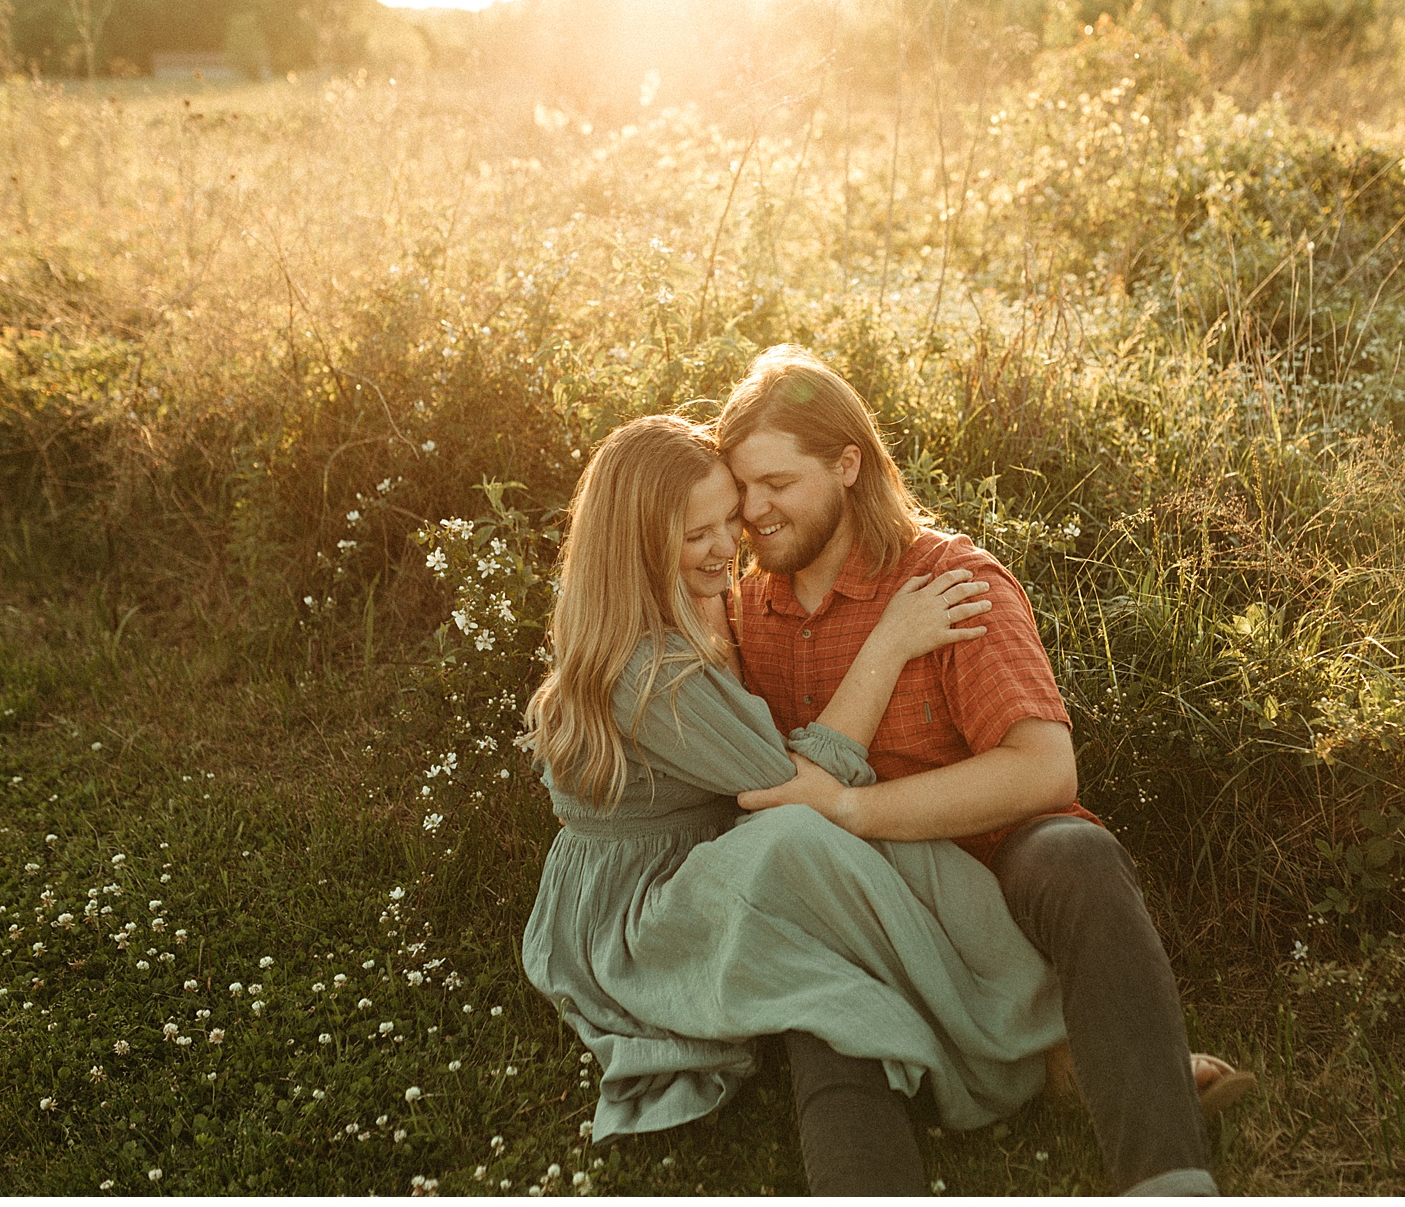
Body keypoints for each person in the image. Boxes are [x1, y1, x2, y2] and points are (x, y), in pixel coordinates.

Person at [717, 346, 1250, 1197]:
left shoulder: (951, 583)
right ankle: (1047, 1064)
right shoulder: (744, 612)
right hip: (858, 902)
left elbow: (1044, 770)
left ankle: (1167, 1179)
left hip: (993, 878)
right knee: (821, 995)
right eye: (741, 487)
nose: (755, 510)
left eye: (777, 483)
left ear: (847, 465)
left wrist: (856, 808)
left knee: (1076, 857)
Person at [519, 414, 1072, 1161]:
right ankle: (1005, 1041)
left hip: (703, 860)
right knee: (808, 833)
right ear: (639, 550)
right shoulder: (647, 673)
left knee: (882, 833)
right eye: (697, 536)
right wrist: (889, 642)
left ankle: (1045, 1025)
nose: (728, 546)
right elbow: (791, 783)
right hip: (640, 917)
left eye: (729, 520)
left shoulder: (692, 607)